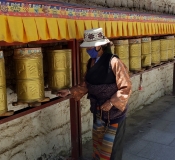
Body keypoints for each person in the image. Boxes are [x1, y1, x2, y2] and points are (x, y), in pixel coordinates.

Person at [57, 28, 132, 160]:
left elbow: (126, 86)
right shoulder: (91, 63)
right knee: (99, 144)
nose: (87, 50)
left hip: (114, 112)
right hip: (98, 110)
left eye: (89, 47)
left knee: (112, 148)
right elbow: (87, 84)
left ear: (99, 47)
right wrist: (69, 91)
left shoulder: (114, 62)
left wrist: (111, 102)